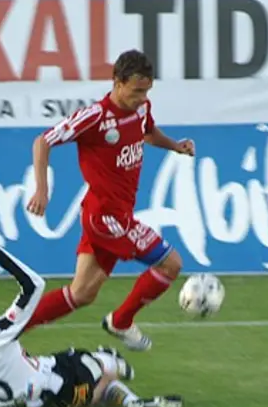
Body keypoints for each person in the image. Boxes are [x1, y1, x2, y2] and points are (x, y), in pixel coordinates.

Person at [25, 49, 195, 351]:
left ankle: (9, 330)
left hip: (114, 213)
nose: (142, 98)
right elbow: (43, 141)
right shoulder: (96, 117)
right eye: (136, 91)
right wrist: (42, 189)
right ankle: (121, 321)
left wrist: (175, 146)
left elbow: (149, 133)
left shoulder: (141, 109)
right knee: (171, 264)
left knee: (82, 293)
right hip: (106, 218)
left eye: (147, 91)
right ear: (117, 82)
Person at [0, 235, 183, 407]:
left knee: (67, 362)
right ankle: (128, 396)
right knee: (103, 364)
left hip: (26, 396)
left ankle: (115, 383)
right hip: (55, 393)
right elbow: (33, 284)